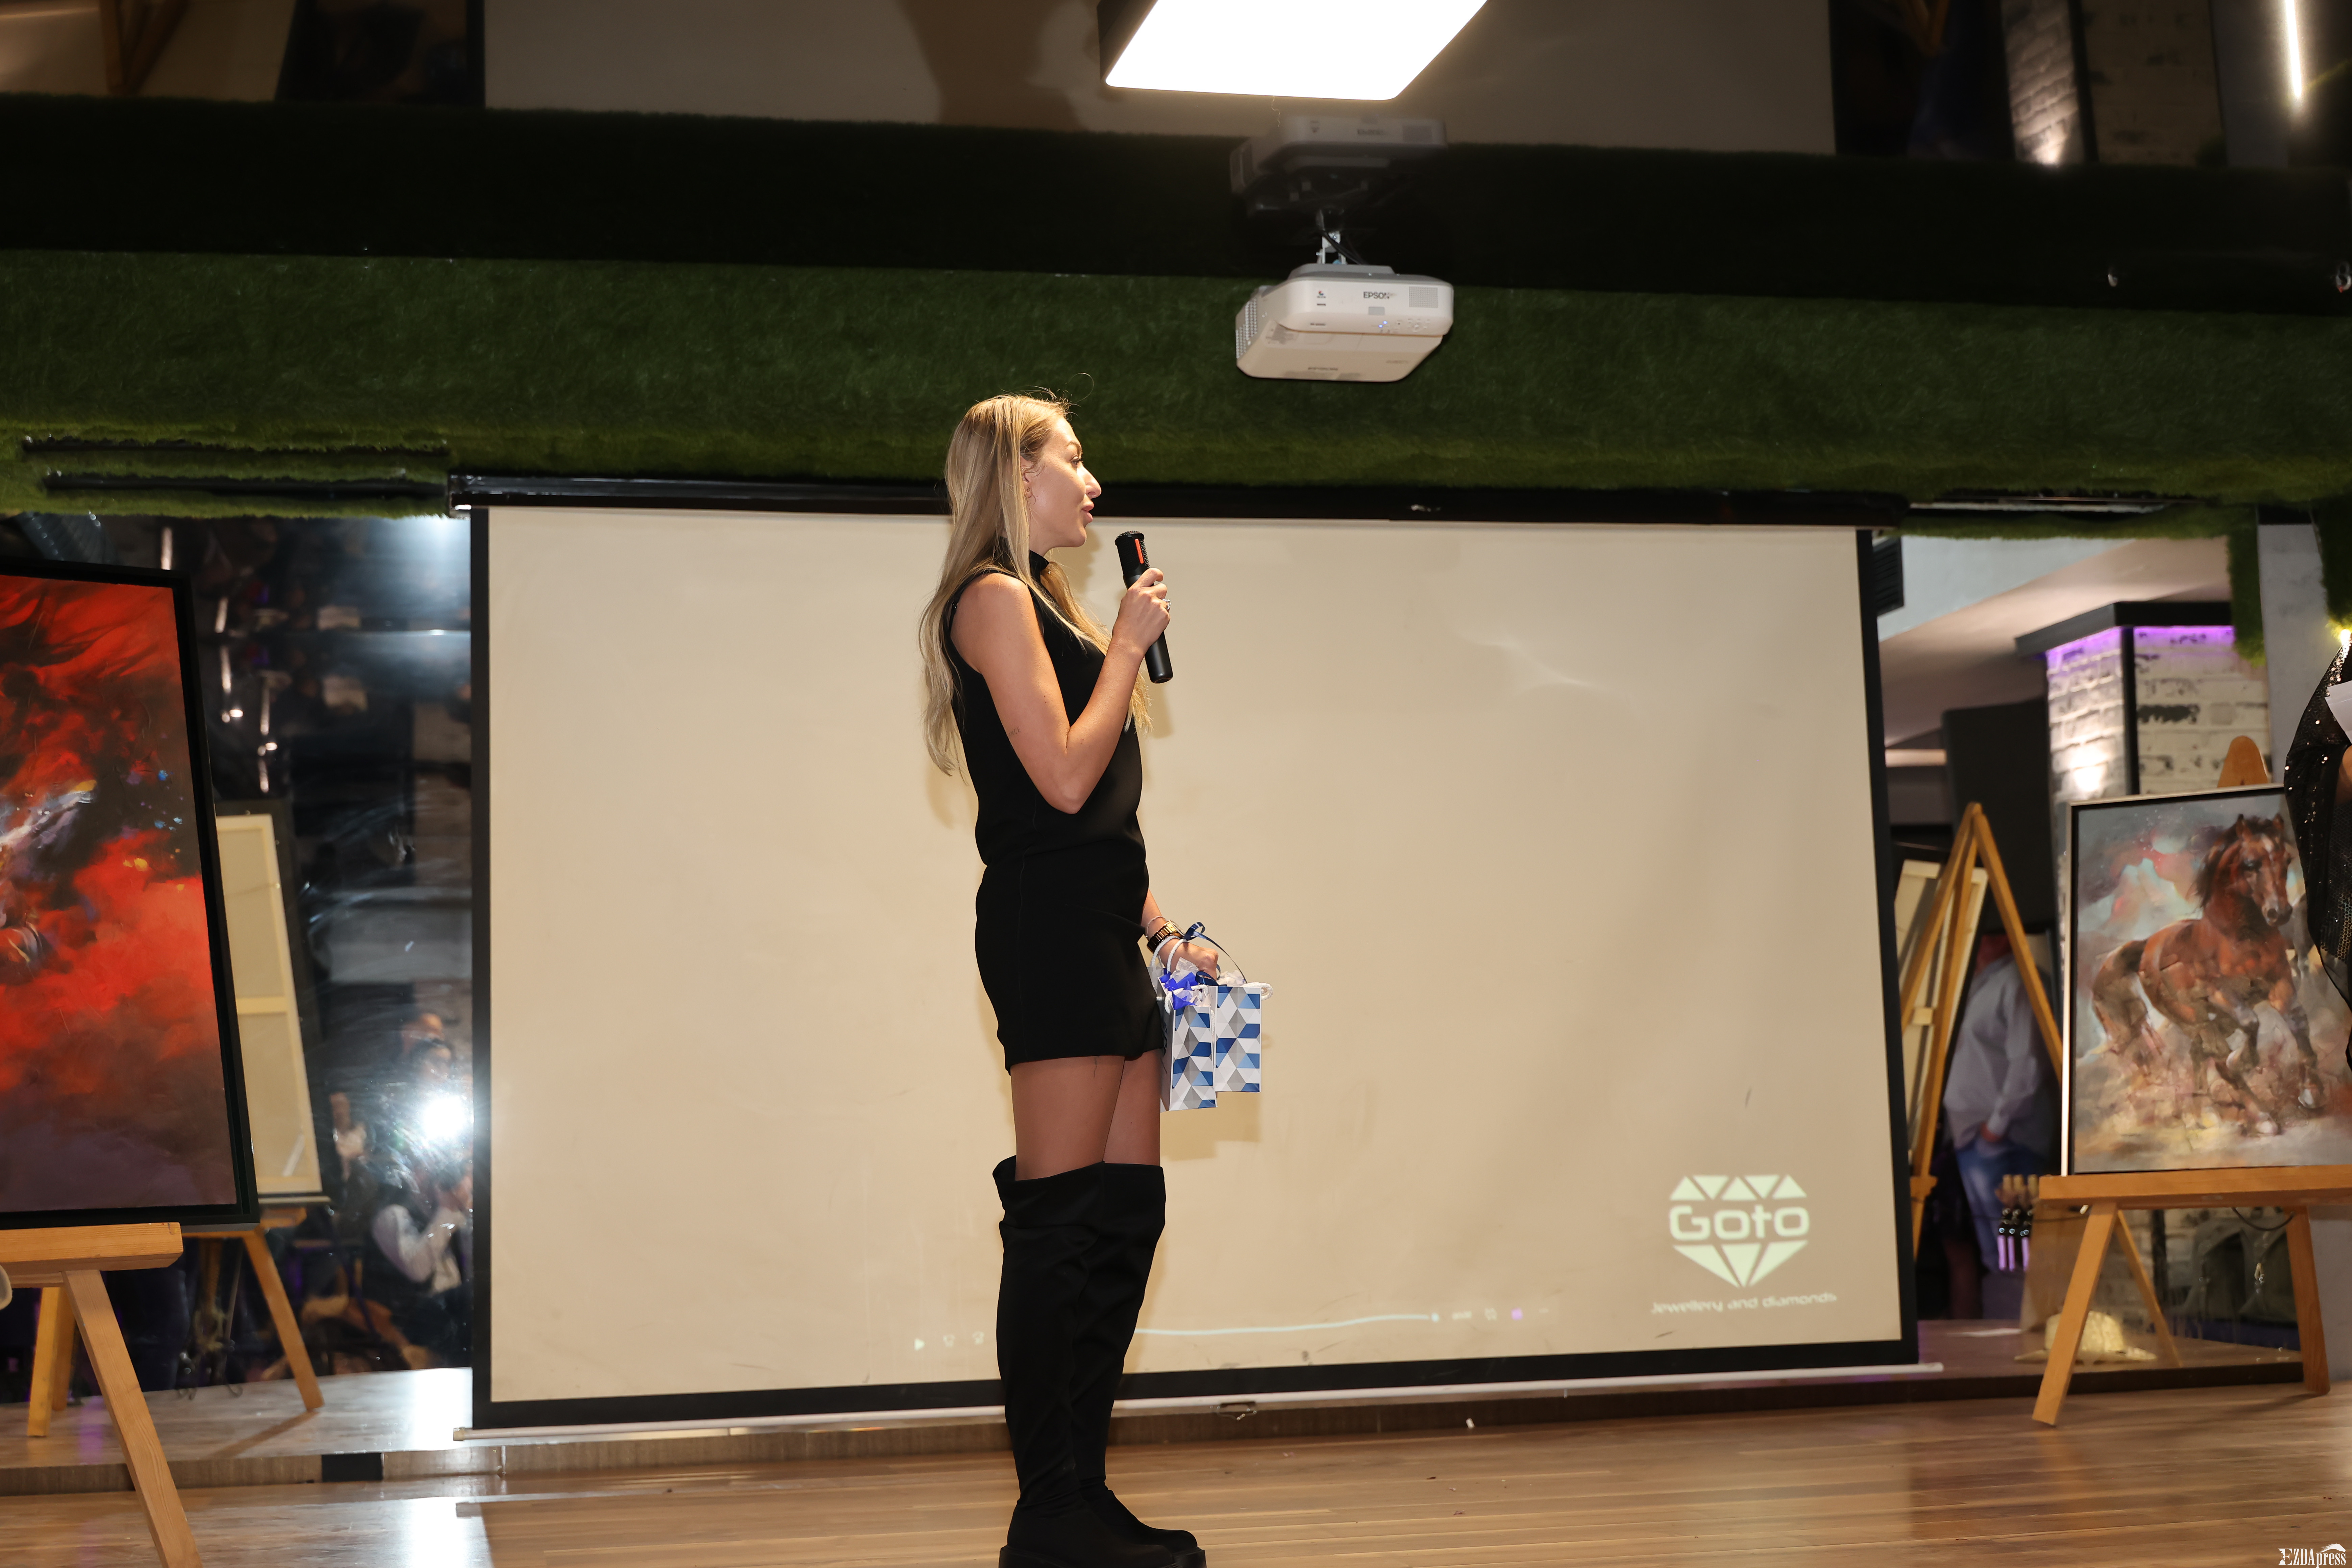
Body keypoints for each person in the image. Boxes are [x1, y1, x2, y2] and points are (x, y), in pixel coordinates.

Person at [919, 394, 1219, 1568]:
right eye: (1074, 461)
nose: (1093, 485)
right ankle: (1047, 1514)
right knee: (1058, 1225)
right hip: (1045, 935)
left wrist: (1164, 929)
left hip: (1101, 930)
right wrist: (1130, 648)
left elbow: (1097, 821)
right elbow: (1056, 780)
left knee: (1123, 1217)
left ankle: (1083, 1494)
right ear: (1016, 474)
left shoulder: (1044, 601)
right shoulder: (991, 597)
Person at [1940, 935, 2059, 1287]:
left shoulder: (2018, 981)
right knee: (1998, 1249)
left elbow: (2028, 1061)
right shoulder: (1980, 982)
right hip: (1974, 1136)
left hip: (2006, 1140)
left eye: (1987, 935)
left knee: (2018, 1247)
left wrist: (1996, 1127)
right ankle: (2012, 1311)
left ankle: (2027, 1312)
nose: (1978, 943)